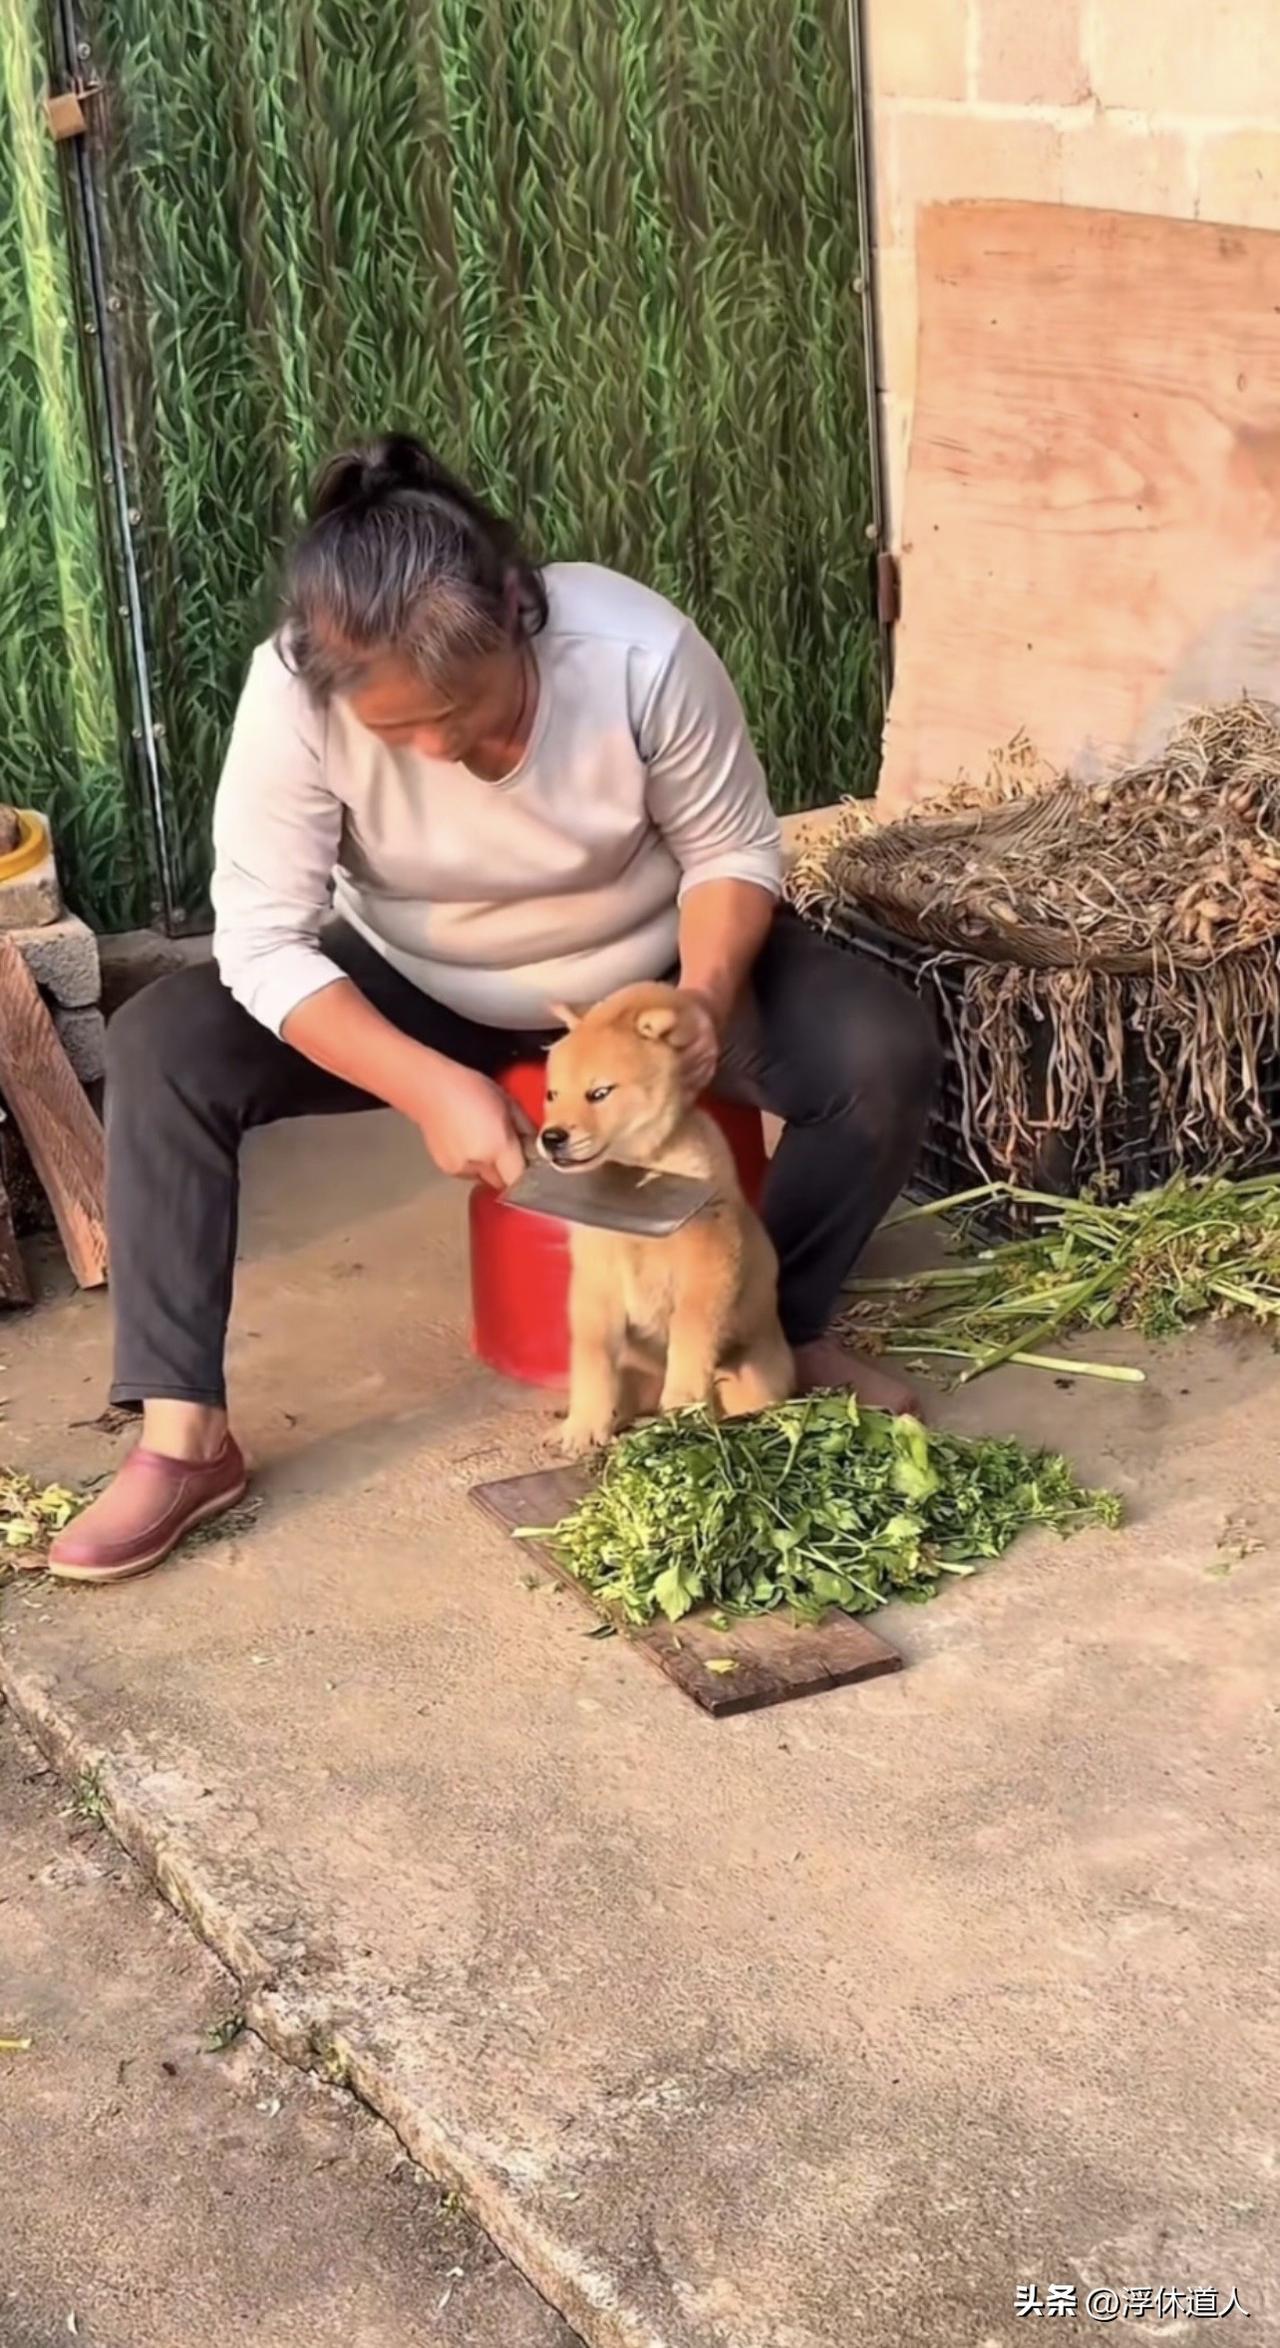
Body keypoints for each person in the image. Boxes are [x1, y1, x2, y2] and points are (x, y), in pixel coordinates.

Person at [48, 435, 939, 1583]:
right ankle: (184, 1439)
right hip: (417, 982)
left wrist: (703, 1000)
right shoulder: (296, 691)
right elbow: (261, 938)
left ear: (520, 611)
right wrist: (424, 1084)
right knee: (161, 1042)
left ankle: (779, 1329)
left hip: (637, 982)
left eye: (466, 710)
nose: (443, 748)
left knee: (876, 1047)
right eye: (403, 730)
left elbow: (728, 847)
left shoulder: (635, 651)